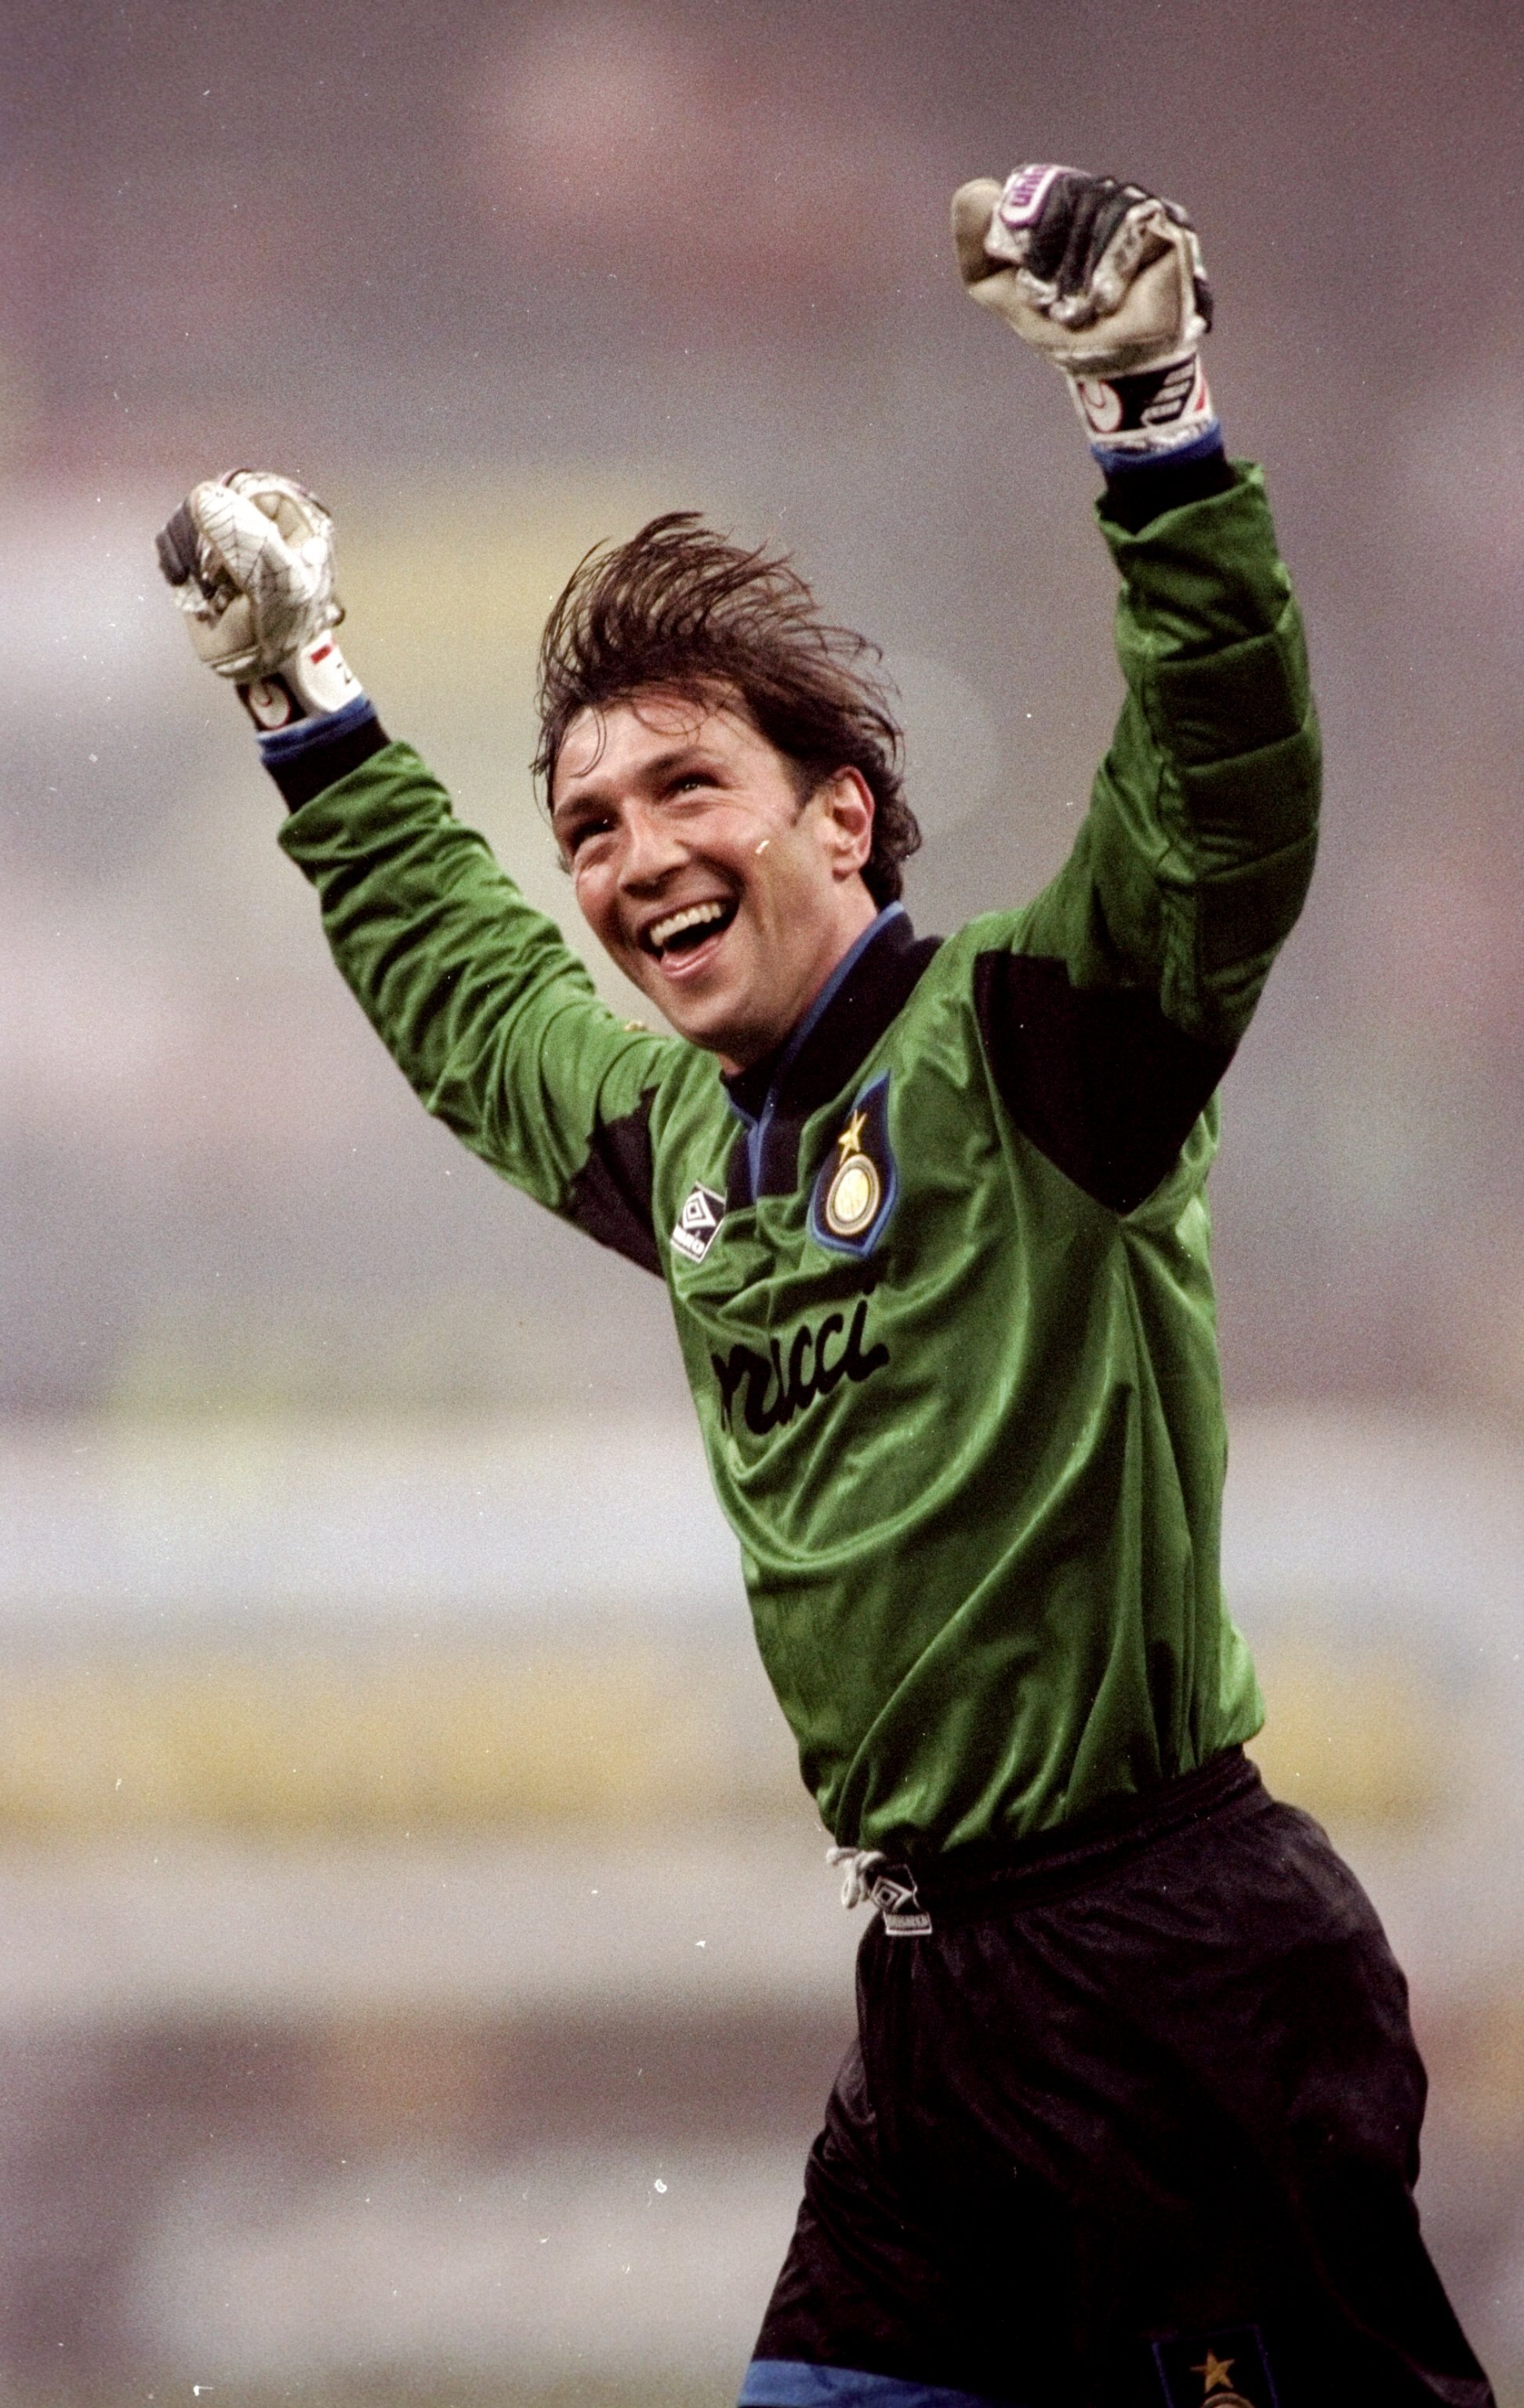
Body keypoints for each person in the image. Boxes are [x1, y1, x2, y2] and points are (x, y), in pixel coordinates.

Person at [156, 167, 1492, 2408]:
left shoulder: (1044, 1047)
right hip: (946, 2013)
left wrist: (1156, 430)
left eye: (689, 786)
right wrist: (311, 704)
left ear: (845, 819)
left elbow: (1223, 802)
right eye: (587, 823)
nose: (629, 857)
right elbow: (475, 1002)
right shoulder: (689, 1144)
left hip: (1176, 1971)